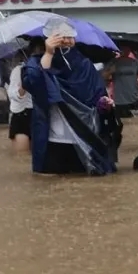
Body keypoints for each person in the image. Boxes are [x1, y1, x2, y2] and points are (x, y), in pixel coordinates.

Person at [21, 20, 120, 176]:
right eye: (61, 36)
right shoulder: (36, 63)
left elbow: (96, 95)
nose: (66, 40)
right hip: (52, 141)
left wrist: (104, 103)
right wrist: (48, 53)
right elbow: (35, 85)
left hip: (83, 140)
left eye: (69, 36)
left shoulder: (84, 64)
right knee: (47, 183)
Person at [7, 49, 36, 153]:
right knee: (22, 155)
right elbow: (12, 94)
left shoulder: (47, 69)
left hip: (40, 114)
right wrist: (24, 85)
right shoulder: (19, 71)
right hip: (22, 113)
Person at [105, 47, 138, 118]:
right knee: (122, 122)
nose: (126, 51)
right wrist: (110, 71)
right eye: (124, 48)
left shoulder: (135, 62)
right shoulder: (113, 62)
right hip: (119, 101)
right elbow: (104, 76)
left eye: (128, 49)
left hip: (135, 99)